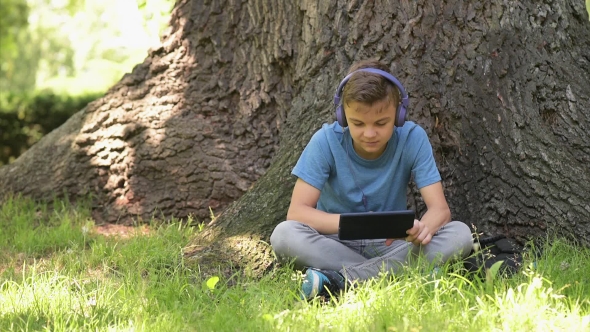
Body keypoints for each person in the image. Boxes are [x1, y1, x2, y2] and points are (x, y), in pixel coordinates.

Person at [270, 59, 474, 300]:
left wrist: (423, 230)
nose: (369, 133)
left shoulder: (412, 138)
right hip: (334, 243)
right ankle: (403, 275)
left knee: (461, 234)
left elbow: (440, 210)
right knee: (284, 235)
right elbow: (297, 213)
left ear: (398, 116)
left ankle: (341, 281)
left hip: (393, 244)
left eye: (381, 123)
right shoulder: (325, 141)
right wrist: (348, 225)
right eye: (357, 123)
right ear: (343, 115)